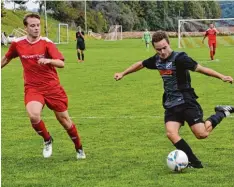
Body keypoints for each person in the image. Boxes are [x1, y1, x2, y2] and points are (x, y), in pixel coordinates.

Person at [114, 30, 234, 168]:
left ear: (168, 43)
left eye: (164, 48)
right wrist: (123, 73)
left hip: (186, 101)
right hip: (171, 103)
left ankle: (221, 112)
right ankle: (195, 163)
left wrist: (222, 76)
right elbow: (140, 64)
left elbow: (201, 69)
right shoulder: (157, 60)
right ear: (155, 48)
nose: (162, 52)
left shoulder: (180, 58)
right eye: (159, 49)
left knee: (202, 134)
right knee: (171, 133)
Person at [1, 13, 86, 160]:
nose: (36, 28)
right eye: (32, 26)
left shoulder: (47, 43)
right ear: (26, 27)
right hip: (33, 88)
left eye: (38, 25)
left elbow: (61, 63)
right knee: (34, 115)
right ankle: (47, 139)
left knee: (65, 121)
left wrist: (48, 60)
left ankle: (79, 148)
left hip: (52, 88)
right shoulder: (18, 44)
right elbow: (7, 57)